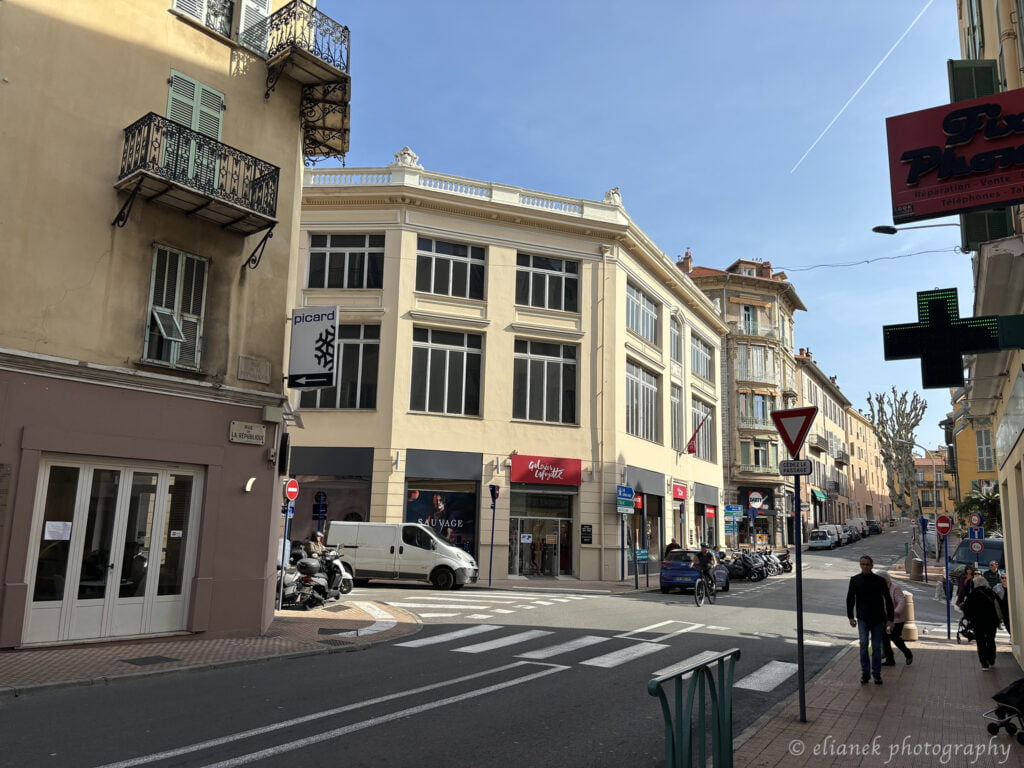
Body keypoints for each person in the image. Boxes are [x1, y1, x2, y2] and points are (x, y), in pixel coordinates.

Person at [846, 555, 895, 685]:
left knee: (877, 647)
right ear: (860, 565)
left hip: (878, 619)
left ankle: (876, 673)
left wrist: (890, 619)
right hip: (862, 618)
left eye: (867, 564)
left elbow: (888, 600)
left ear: (872, 565)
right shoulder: (855, 580)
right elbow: (850, 599)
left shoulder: (879, 581)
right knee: (863, 645)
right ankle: (865, 673)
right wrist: (850, 617)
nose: (865, 566)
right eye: (863, 564)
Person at [963, 574, 1003, 669]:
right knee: (990, 640)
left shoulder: (972, 595)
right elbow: (1000, 606)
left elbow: (966, 609)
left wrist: (969, 619)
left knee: (981, 642)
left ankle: (984, 663)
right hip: (991, 622)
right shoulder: (992, 593)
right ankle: (991, 659)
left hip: (978, 623)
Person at [879, 570, 913, 666]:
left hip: (896, 618)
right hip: (884, 618)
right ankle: (890, 659)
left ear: (887, 581)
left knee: (895, 637)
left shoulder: (895, 588)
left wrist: (895, 612)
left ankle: (907, 653)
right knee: (884, 638)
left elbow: (901, 601)